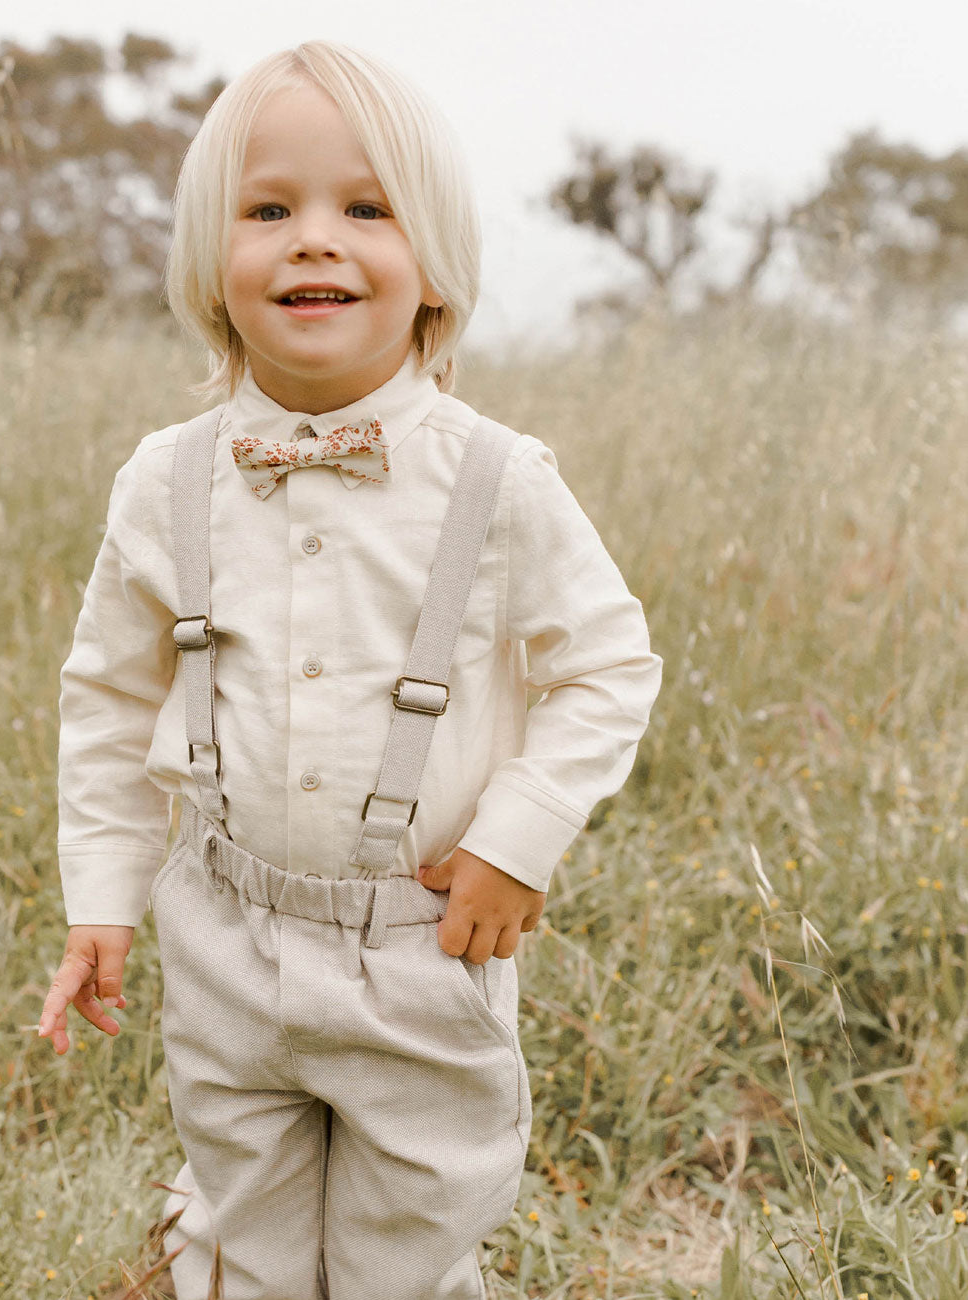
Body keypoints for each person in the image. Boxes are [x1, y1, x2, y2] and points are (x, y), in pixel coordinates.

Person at [37, 39, 662, 1300]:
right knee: (238, 1231)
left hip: (424, 943)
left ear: (432, 267)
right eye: (268, 210)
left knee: (411, 1245)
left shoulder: (496, 480)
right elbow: (108, 696)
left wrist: (515, 839)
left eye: (364, 210)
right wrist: (100, 896)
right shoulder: (166, 481)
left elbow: (608, 664)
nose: (312, 240)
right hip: (222, 927)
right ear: (213, 262)